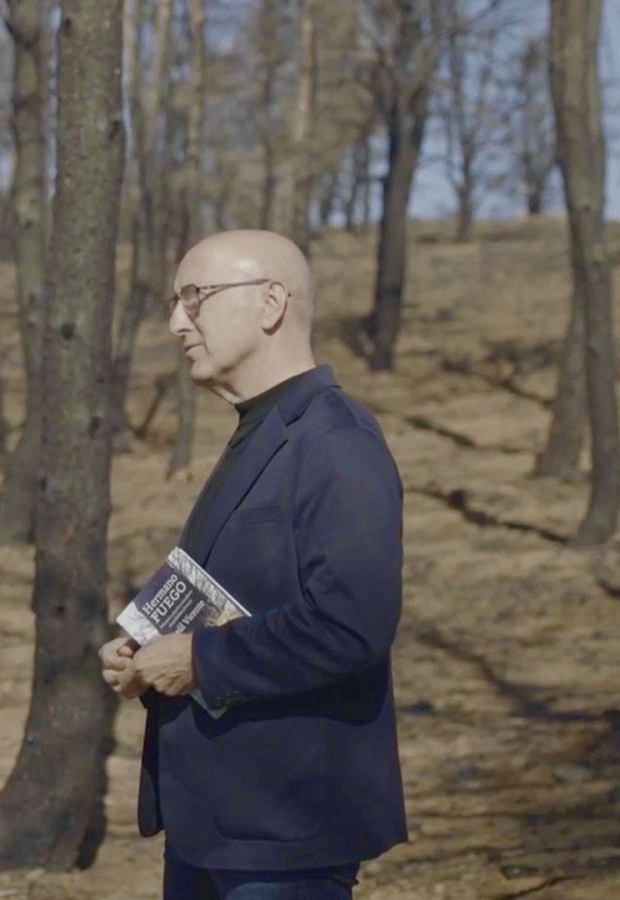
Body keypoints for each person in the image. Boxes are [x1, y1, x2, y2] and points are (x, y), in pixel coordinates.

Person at [99, 230, 406, 900]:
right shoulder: (261, 433)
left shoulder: (336, 440)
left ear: (270, 303)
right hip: (216, 823)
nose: (177, 322)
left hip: (286, 833)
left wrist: (199, 661)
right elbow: (236, 594)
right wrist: (148, 649)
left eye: (195, 298)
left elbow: (352, 624)